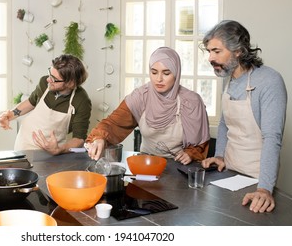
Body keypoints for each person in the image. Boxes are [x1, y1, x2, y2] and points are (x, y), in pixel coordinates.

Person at [200, 20, 287, 213]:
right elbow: (224, 124)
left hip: (257, 178)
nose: (210, 58)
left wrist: (264, 189)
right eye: (209, 52)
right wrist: (220, 155)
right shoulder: (229, 77)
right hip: (229, 173)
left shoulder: (270, 81)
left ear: (238, 51)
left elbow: (273, 137)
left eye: (217, 51)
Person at [85, 47, 210, 165]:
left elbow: (200, 144)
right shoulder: (140, 97)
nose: (159, 79)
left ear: (176, 74)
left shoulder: (191, 101)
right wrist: (99, 138)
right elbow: (113, 123)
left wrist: (190, 154)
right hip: (146, 164)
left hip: (178, 166)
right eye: (154, 72)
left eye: (166, 73)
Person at [0, 54, 92, 155]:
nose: (48, 79)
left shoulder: (82, 101)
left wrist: (59, 150)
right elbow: (31, 102)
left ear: (70, 83)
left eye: (54, 78)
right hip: (24, 142)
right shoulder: (44, 83)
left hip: (51, 152)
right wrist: (10, 115)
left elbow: (79, 139)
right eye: (49, 73)